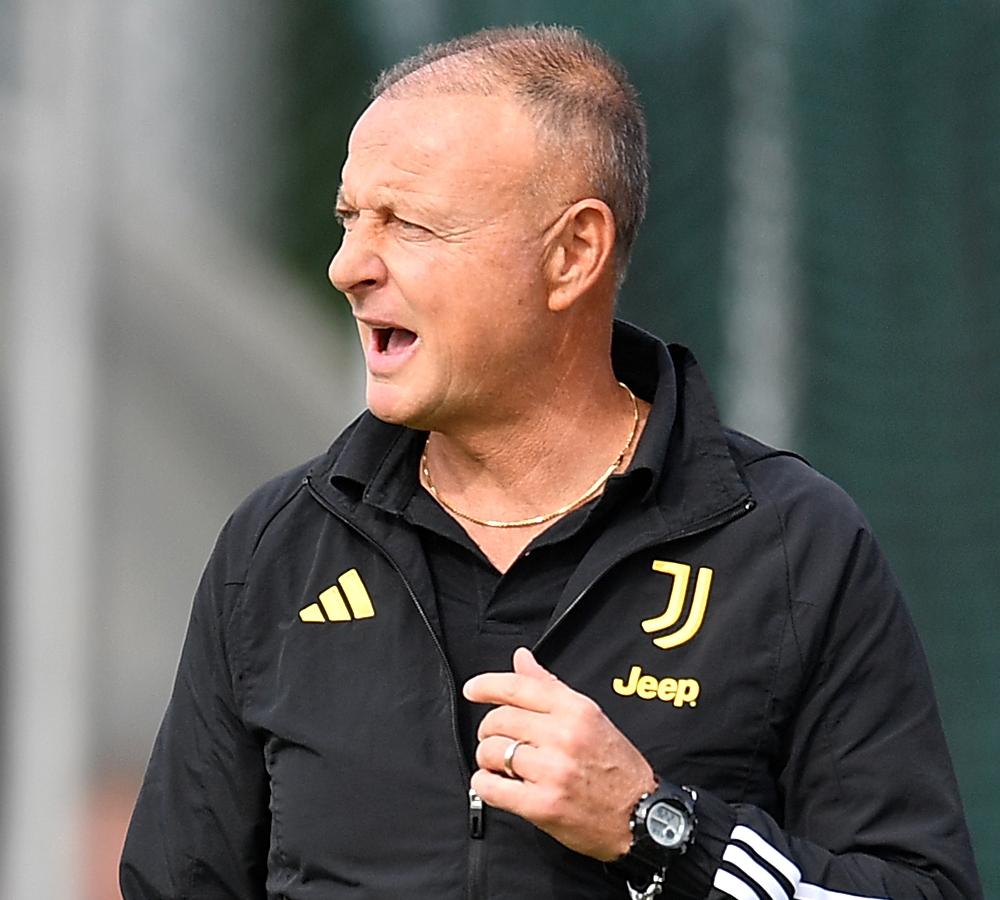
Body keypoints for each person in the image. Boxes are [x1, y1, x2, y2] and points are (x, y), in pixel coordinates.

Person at [120, 25, 982, 900]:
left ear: (572, 254)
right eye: (349, 218)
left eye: (408, 223)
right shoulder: (277, 547)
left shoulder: (795, 546)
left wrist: (658, 829)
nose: (349, 266)